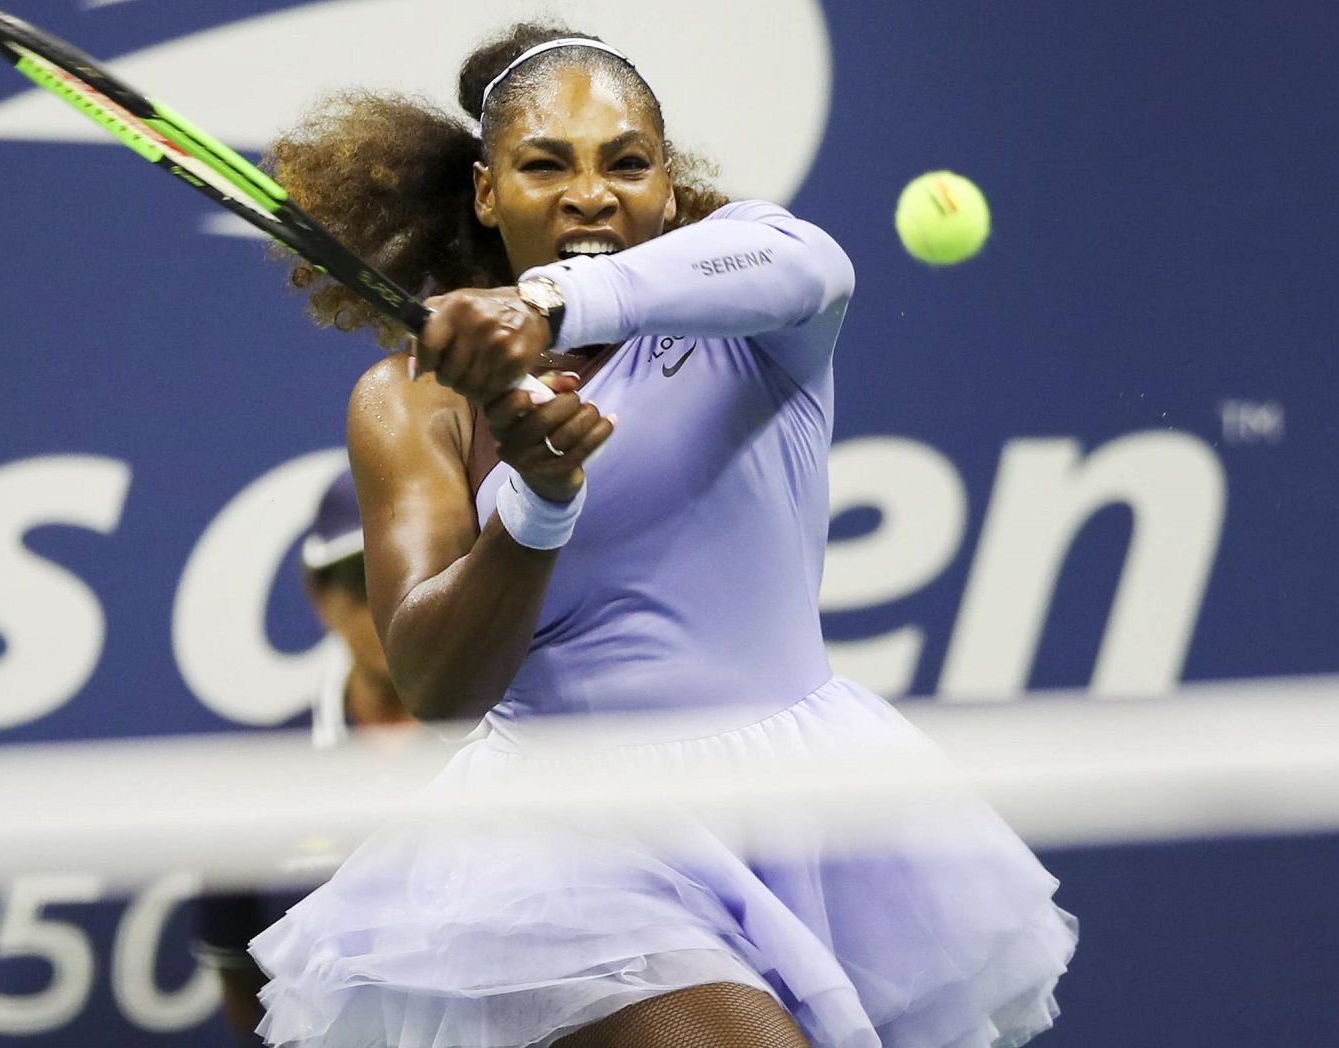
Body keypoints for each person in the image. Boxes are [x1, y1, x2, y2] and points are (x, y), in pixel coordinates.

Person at [248, 23, 1077, 1048]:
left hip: (814, 802)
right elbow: (435, 687)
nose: (589, 194)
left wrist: (545, 303)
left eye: (626, 162)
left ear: (672, 188)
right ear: (486, 193)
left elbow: (809, 261)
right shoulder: (414, 402)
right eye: (544, 165)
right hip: (568, 843)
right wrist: (538, 501)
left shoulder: (761, 317)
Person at [194, 469, 414, 1045]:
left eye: (414, 569)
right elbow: (245, 984)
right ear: (321, 597)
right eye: (363, 580)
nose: (389, 602)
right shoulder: (257, 777)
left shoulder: (523, 745)